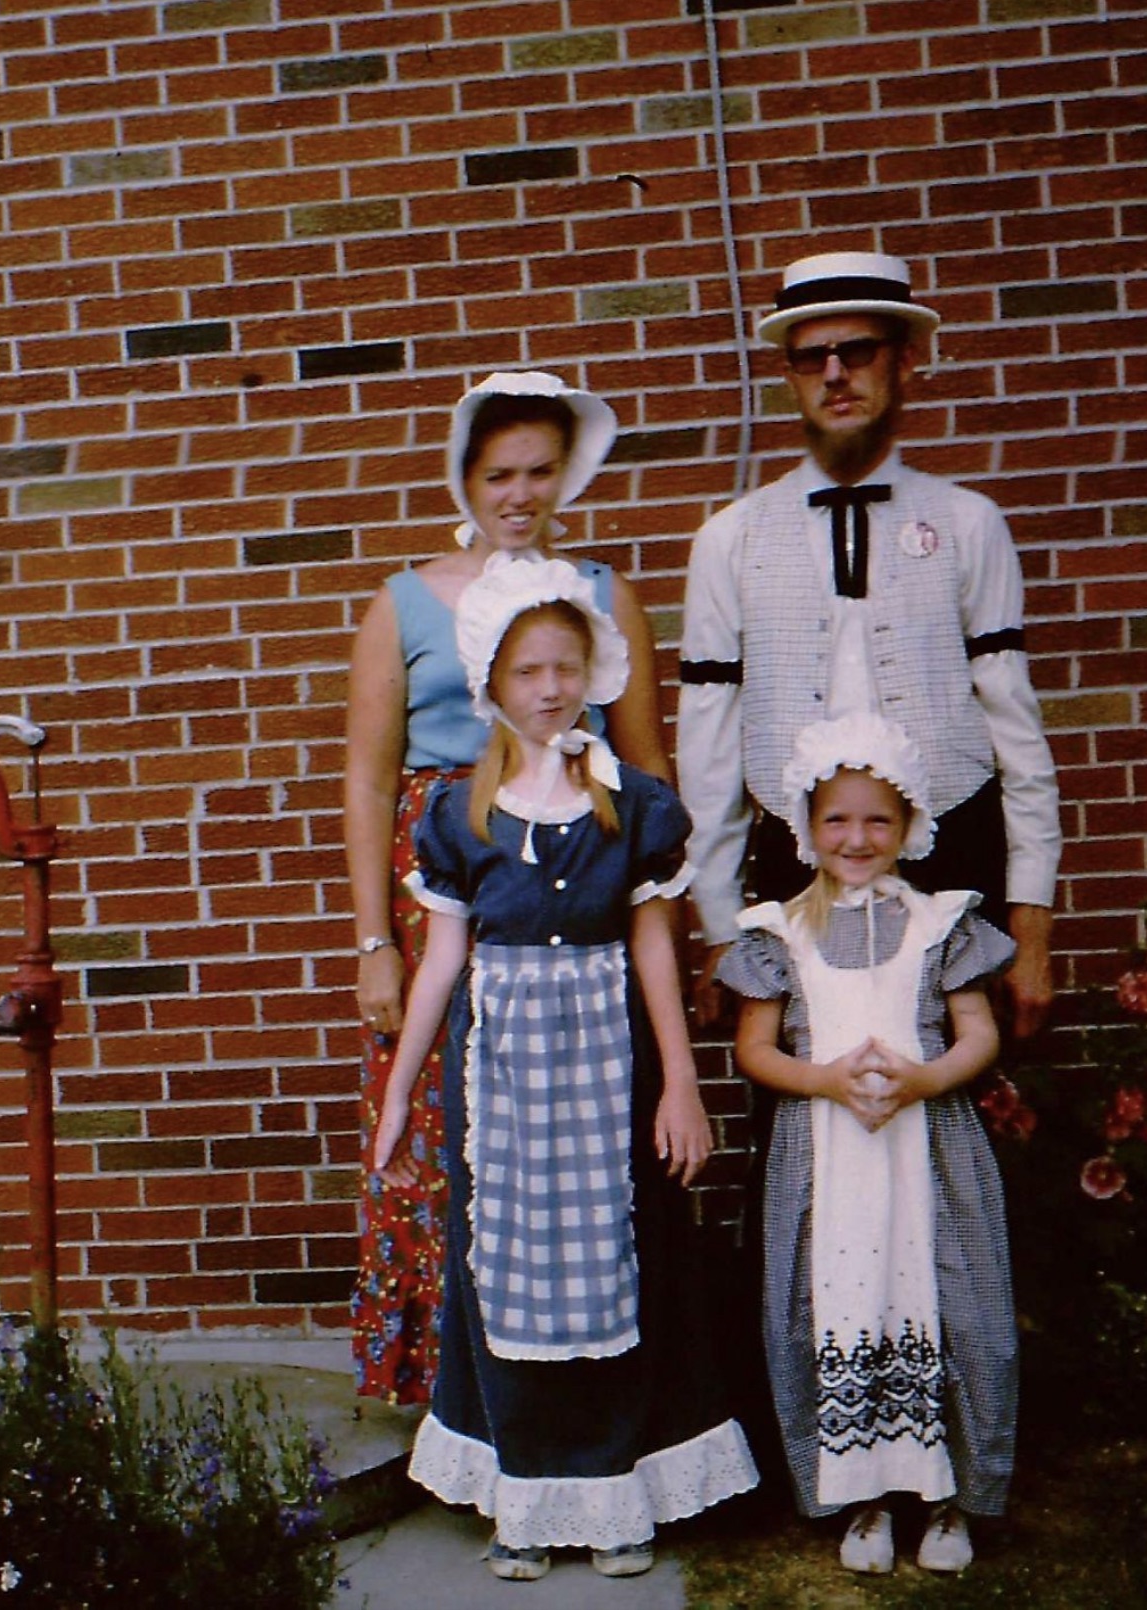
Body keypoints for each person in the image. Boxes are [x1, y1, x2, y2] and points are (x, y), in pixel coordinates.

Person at [370, 556, 757, 1580]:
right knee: (506, 1267)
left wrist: (680, 1079)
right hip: (500, 1075)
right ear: (491, 684)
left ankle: (617, 1491)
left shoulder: (633, 803)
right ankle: (526, 1497)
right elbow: (440, 958)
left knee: (623, 1262)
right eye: (525, 668)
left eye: (564, 665)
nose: (546, 686)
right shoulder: (460, 813)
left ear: (592, 670)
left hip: (607, 1063)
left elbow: (654, 946)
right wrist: (402, 1091)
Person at [343, 371, 669, 1406]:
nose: (518, 493)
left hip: (574, 881)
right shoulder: (404, 601)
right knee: (446, 1114)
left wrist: (674, 927)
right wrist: (372, 940)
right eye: (497, 473)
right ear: (465, 477)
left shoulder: (604, 596)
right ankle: (444, 1376)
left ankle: (583, 1373)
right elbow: (365, 774)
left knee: (570, 1121)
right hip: (439, 882)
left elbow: (647, 768)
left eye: (538, 471)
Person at [678, 250, 1060, 1038]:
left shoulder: (966, 523)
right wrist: (719, 920)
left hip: (955, 856)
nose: (834, 373)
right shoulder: (731, 539)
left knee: (960, 1100)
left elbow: (1017, 733)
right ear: (789, 374)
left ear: (905, 361)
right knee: (804, 1111)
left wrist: (1033, 927)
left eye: (857, 350)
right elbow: (709, 746)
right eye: (811, 356)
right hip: (793, 868)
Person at [715, 713, 1015, 1575]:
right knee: (841, 1308)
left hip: (927, 1151)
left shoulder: (940, 922)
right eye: (837, 819)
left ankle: (951, 1502)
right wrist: (831, 1080)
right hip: (828, 1157)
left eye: (877, 819)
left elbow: (977, 1035)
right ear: (807, 828)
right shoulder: (781, 933)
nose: (857, 837)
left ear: (909, 824)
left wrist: (923, 1079)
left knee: (949, 1303)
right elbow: (756, 1050)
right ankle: (864, 1500)